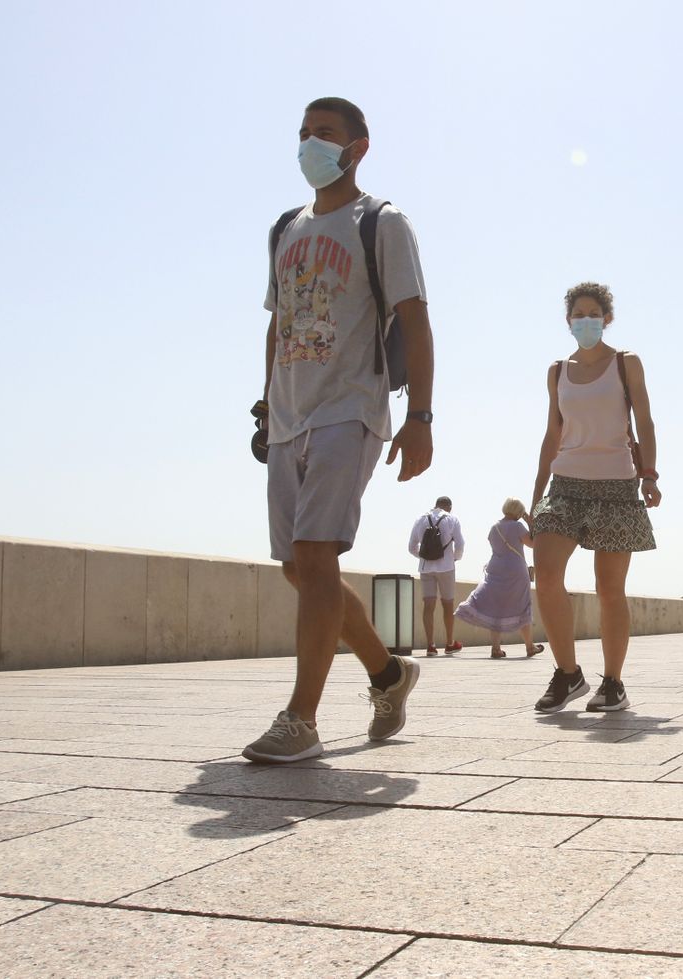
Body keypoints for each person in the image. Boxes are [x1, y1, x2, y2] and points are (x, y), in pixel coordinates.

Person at [242, 97, 435, 764]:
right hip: (289, 414)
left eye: (324, 133)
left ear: (358, 147)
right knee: (300, 568)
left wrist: (420, 418)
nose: (310, 145)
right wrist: (266, 408)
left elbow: (416, 320)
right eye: (303, 133)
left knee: (316, 555)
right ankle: (388, 673)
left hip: (350, 407)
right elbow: (278, 324)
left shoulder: (381, 221)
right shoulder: (285, 229)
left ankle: (301, 718)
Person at [529, 282, 660, 713]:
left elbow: (645, 421)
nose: (585, 321)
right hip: (565, 484)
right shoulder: (556, 372)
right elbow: (552, 434)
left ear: (607, 319)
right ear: (568, 321)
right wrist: (536, 498)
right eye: (578, 315)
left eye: (593, 314)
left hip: (616, 485)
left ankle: (613, 683)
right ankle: (568, 674)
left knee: (609, 589)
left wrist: (649, 475)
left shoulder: (626, 363)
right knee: (547, 575)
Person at [455, 498, 545, 658]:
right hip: (516, 570)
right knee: (523, 606)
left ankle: (496, 648)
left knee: (495, 608)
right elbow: (533, 544)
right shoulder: (518, 526)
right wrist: (531, 523)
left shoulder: (494, 527)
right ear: (519, 512)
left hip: (495, 569)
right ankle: (530, 647)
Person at [408, 496, 464, 655]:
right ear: (449, 507)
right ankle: (449, 643)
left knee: (428, 606)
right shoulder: (452, 519)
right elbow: (460, 544)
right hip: (446, 567)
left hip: (426, 568)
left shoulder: (420, 519)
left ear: (435, 505)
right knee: (448, 605)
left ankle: (430, 646)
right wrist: (454, 558)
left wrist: (424, 556)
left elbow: (411, 547)